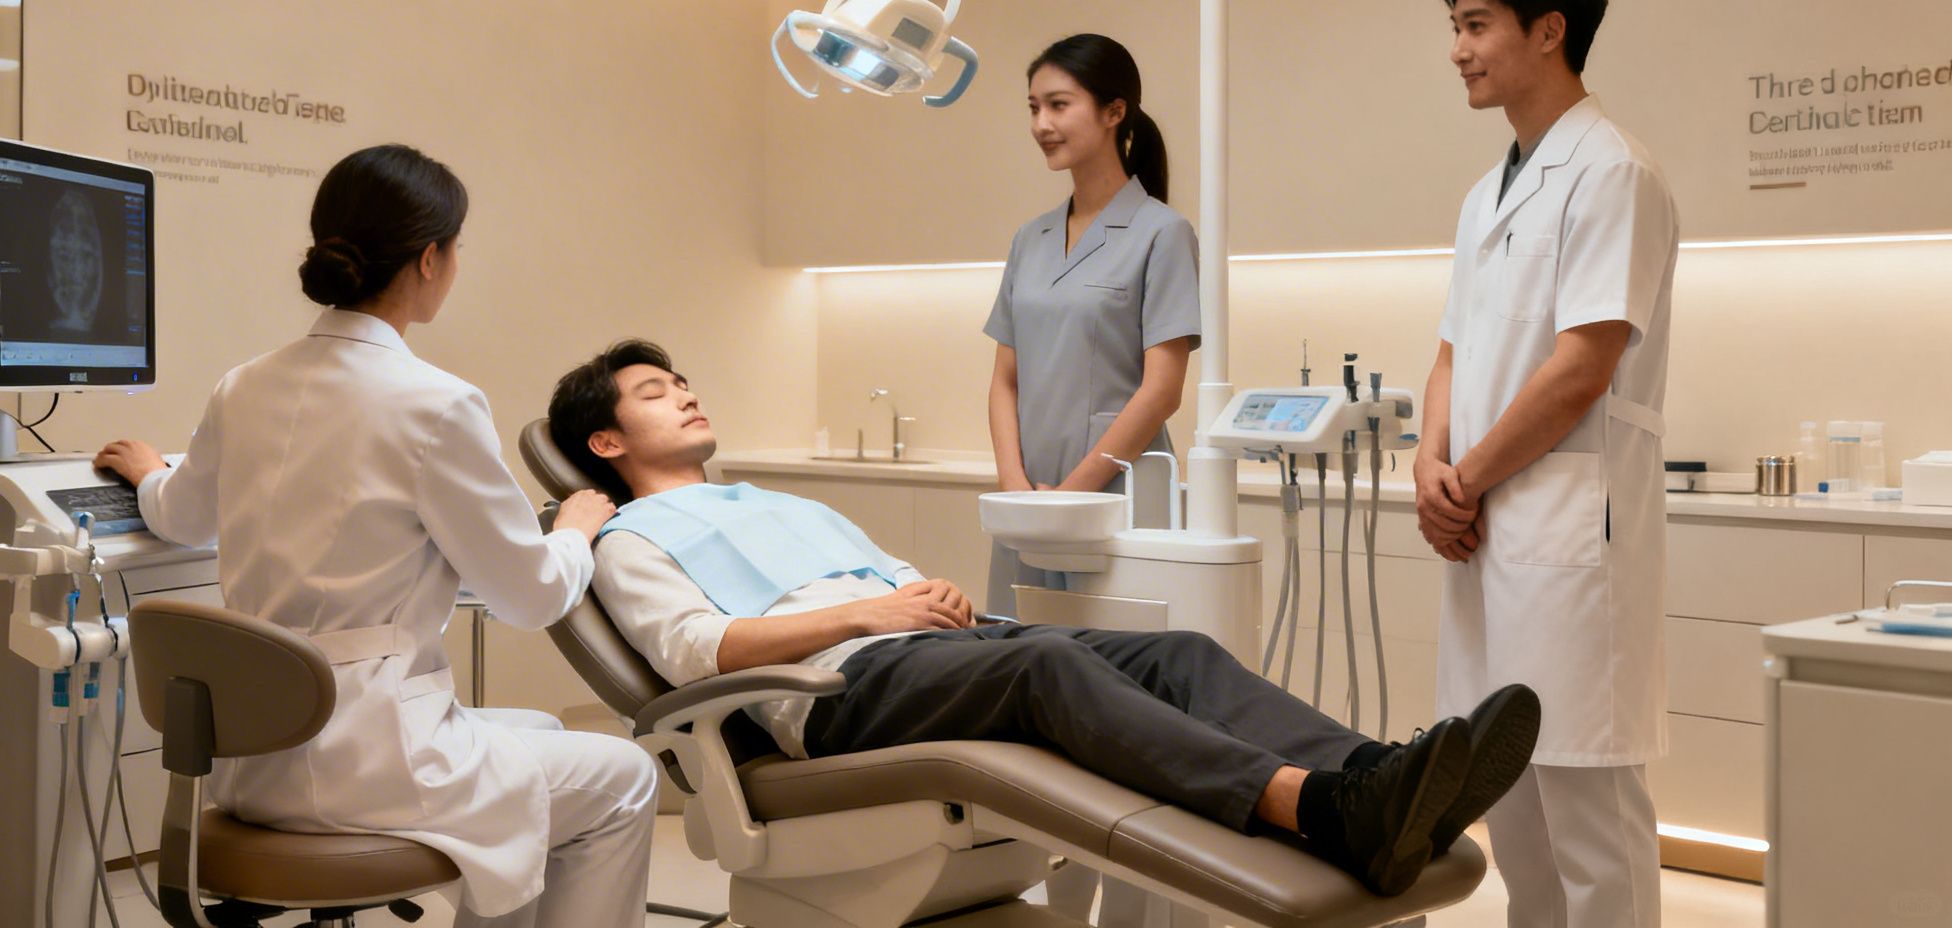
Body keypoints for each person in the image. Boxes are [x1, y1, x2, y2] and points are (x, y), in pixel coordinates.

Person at [548, 339, 1544, 900]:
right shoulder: (627, 538)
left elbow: (895, 579)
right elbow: (699, 652)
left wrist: (927, 597)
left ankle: (1382, 780)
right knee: (1049, 674)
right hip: (826, 697)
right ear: (605, 442)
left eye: (682, 381)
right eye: (654, 393)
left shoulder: (776, 501)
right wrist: (872, 612)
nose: (684, 395)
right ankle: (1319, 810)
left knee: (1176, 653)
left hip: (921, 651)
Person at [95, 145, 656, 928]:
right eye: (456, 248)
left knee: (539, 734)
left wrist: (152, 473)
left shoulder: (244, 385)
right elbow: (530, 598)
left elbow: (180, 516)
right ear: (429, 258)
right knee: (625, 776)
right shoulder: (437, 403)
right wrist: (573, 530)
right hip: (367, 759)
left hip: (251, 762)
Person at [1414, 0, 1679, 928]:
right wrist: (1428, 463)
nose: (1458, 49)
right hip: (1486, 529)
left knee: (1587, 809)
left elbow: (1580, 367)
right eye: (1455, 27)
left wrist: (1466, 479)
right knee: (1509, 798)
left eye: (1475, 25)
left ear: (1548, 30)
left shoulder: (1611, 173)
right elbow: (1450, 350)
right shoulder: (1485, 194)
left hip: (1564, 529)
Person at [985, 34, 1200, 621]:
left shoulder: (1162, 234)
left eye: (1059, 105)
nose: (1042, 124)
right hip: (1030, 501)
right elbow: (1005, 380)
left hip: (1116, 498)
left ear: (1114, 111)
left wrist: (1071, 496)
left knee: (1113, 660)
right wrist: (1015, 490)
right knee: (1018, 653)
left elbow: (1162, 391)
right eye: (1034, 107)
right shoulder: (1029, 239)